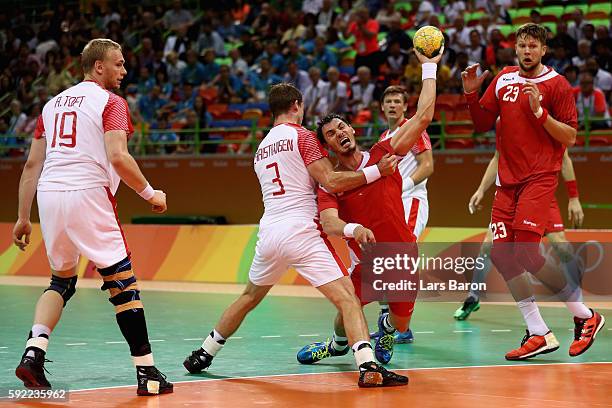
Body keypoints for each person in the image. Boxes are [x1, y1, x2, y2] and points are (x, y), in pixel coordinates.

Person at [183, 82, 408, 388]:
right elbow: (330, 180)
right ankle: (368, 366)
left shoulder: (260, 149)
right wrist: (376, 172)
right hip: (301, 231)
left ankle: (203, 353)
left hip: (269, 234)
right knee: (349, 300)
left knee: (249, 297)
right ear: (297, 106)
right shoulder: (302, 136)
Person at [12, 39, 173, 395]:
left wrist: (23, 217)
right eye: (118, 64)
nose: (124, 71)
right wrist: (151, 193)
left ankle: (32, 354)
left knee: (61, 282)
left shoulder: (51, 105)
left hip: (50, 196)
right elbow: (118, 157)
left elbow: (31, 165)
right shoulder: (111, 102)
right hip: (88, 192)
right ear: (98, 66)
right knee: (122, 283)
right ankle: (147, 374)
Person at [462, 23, 604, 360]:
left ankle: (587, 316)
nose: (527, 51)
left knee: (526, 255)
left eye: (533, 46)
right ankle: (539, 332)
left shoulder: (557, 85)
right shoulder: (504, 79)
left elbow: (569, 137)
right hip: (506, 184)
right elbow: (482, 125)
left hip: (539, 180)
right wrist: (470, 94)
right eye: (522, 45)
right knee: (501, 255)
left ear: (543, 50)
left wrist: (541, 114)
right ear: (516, 49)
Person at [297, 48, 442, 366]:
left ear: (352, 130)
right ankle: (335, 345)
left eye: (341, 128)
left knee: (402, 323)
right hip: (367, 264)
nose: (339, 134)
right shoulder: (332, 182)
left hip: (403, 256)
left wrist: (429, 68)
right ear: (329, 146)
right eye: (331, 134)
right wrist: (354, 229)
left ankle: (387, 329)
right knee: (344, 310)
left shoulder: (383, 154)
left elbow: (423, 117)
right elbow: (330, 223)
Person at [454, 149, 586, 320]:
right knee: (488, 244)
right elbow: (497, 157)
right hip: (512, 196)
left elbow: (565, 158)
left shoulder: (549, 124)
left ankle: (578, 302)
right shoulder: (506, 124)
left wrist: (574, 198)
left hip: (541, 194)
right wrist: (481, 190)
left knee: (562, 247)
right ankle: (473, 296)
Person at [370, 85, 434, 344]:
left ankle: (402, 327)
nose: (393, 105)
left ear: (406, 107)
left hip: (411, 202)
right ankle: (389, 320)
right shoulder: (386, 135)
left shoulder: (414, 128)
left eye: (398, 101)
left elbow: (428, 166)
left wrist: (403, 187)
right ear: (382, 108)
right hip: (391, 205)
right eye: (389, 102)